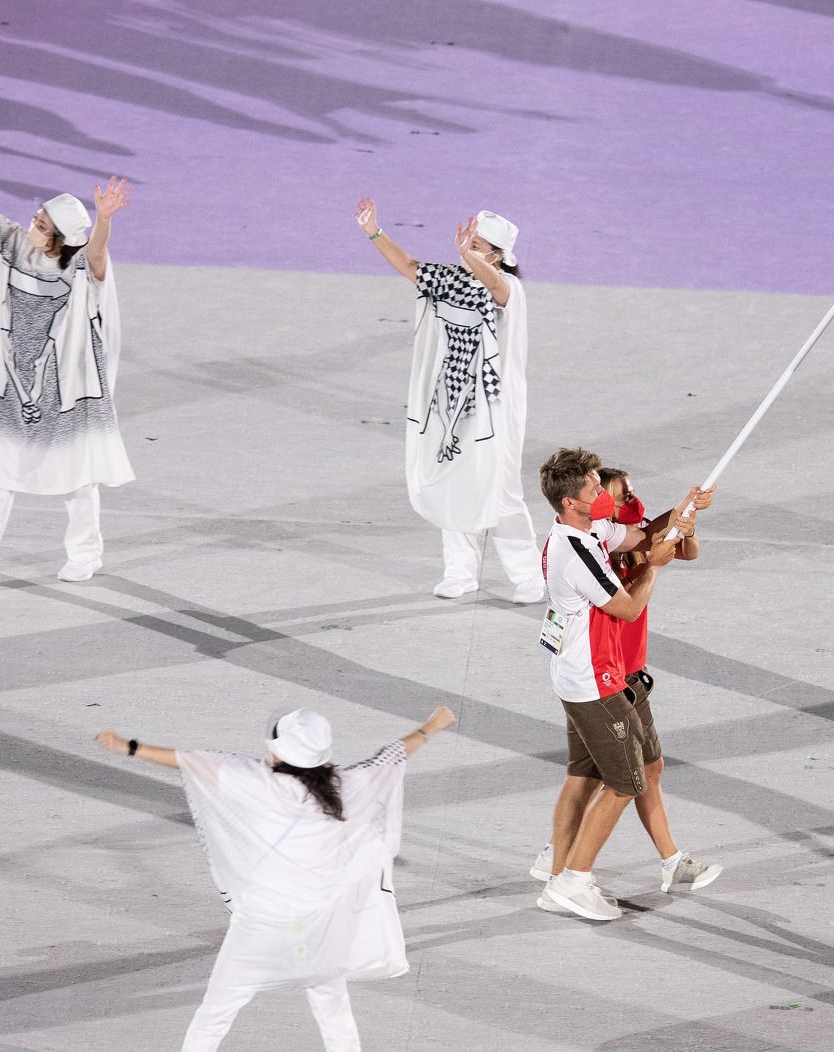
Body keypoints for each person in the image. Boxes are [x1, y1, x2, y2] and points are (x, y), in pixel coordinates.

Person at [94, 704, 458, 1051]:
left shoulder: (257, 784)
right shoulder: (346, 787)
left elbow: (189, 761)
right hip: (320, 933)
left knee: (215, 1015)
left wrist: (130, 747)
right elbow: (390, 757)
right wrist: (433, 725)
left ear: (279, 750)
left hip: (260, 932)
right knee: (335, 1015)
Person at [0, 129, 135, 583]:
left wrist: (104, 220)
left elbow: (98, 254)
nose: (31, 225)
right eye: (36, 218)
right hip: (11, 376)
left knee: (76, 474)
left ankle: (85, 555)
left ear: (60, 238)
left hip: (64, 383)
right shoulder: (17, 244)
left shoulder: (78, 267)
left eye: (41, 224)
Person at [529, 467, 721, 910]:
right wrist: (654, 565)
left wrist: (686, 506)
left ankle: (561, 869)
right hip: (595, 680)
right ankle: (570, 880)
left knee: (586, 775)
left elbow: (642, 536)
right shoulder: (577, 555)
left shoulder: (591, 530)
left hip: (596, 674)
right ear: (570, 503)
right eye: (595, 490)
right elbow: (629, 607)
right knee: (626, 782)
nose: (604, 497)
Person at [355, 198, 542, 604]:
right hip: (452, 397)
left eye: (478, 245)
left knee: (500, 488)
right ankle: (460, 573)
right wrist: (374, 231)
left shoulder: (510, 289)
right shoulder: (451, 280)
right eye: (468, 242)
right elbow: (410, 267)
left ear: (498, 255)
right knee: (454, 480)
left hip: (495, 406)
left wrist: (468, 257)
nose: (468, 249)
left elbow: (495, 287)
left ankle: (528, 575)